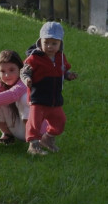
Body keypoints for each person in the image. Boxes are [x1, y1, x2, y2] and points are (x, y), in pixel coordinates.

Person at [22, 21, 78, 156]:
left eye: (54, 43)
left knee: (60, 121)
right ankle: (33, 145)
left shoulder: (61, 57)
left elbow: (62, 71)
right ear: (40, 41)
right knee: (34, 123)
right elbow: (24, 72)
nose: (50, 46)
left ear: (60, 44)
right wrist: (27, 79)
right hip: (38, 98)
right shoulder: (34, 58)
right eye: (46, 42)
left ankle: (47, 139)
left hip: (54, 99)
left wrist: (68, 75)